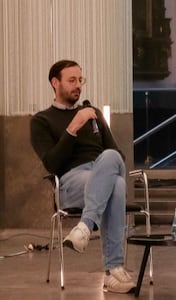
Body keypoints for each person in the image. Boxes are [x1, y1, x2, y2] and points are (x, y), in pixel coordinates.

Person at [30, 60, 136, 293]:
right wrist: (73, 126)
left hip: (102, 170)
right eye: (72, 80)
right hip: (70, 182)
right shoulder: (41, 121)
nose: (78, 85)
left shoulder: (94, 114)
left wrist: (103, 163)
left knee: (111, 164)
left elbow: (117, 155)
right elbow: (52, 163)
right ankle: (113, 270)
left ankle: (84, 228)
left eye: (81, 80)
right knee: (116, 185)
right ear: (55, 83)